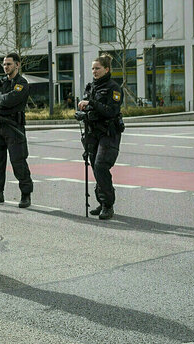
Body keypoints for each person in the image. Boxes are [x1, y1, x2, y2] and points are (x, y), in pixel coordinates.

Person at [0, 52, 33, 208]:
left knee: (18, 162)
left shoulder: (21, 83)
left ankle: (25, 194)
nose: (5, 67)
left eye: (8, 64)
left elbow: (12, 99)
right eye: (4, 64)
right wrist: (0, 101)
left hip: (13, 128)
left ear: (17, 65)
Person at [78, 54, 123, 220]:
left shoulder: (114, 88)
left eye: (97, 68)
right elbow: (89, 109)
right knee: (95, 167)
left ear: (106, 69)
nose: (94, 71)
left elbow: (111, 110)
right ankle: (102, 201)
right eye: (93, 68)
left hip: (108, 133)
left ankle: (108, 205)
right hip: (92, 132)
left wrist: (91, 104)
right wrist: (82, 113)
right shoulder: (91, 87)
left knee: (101, 166)